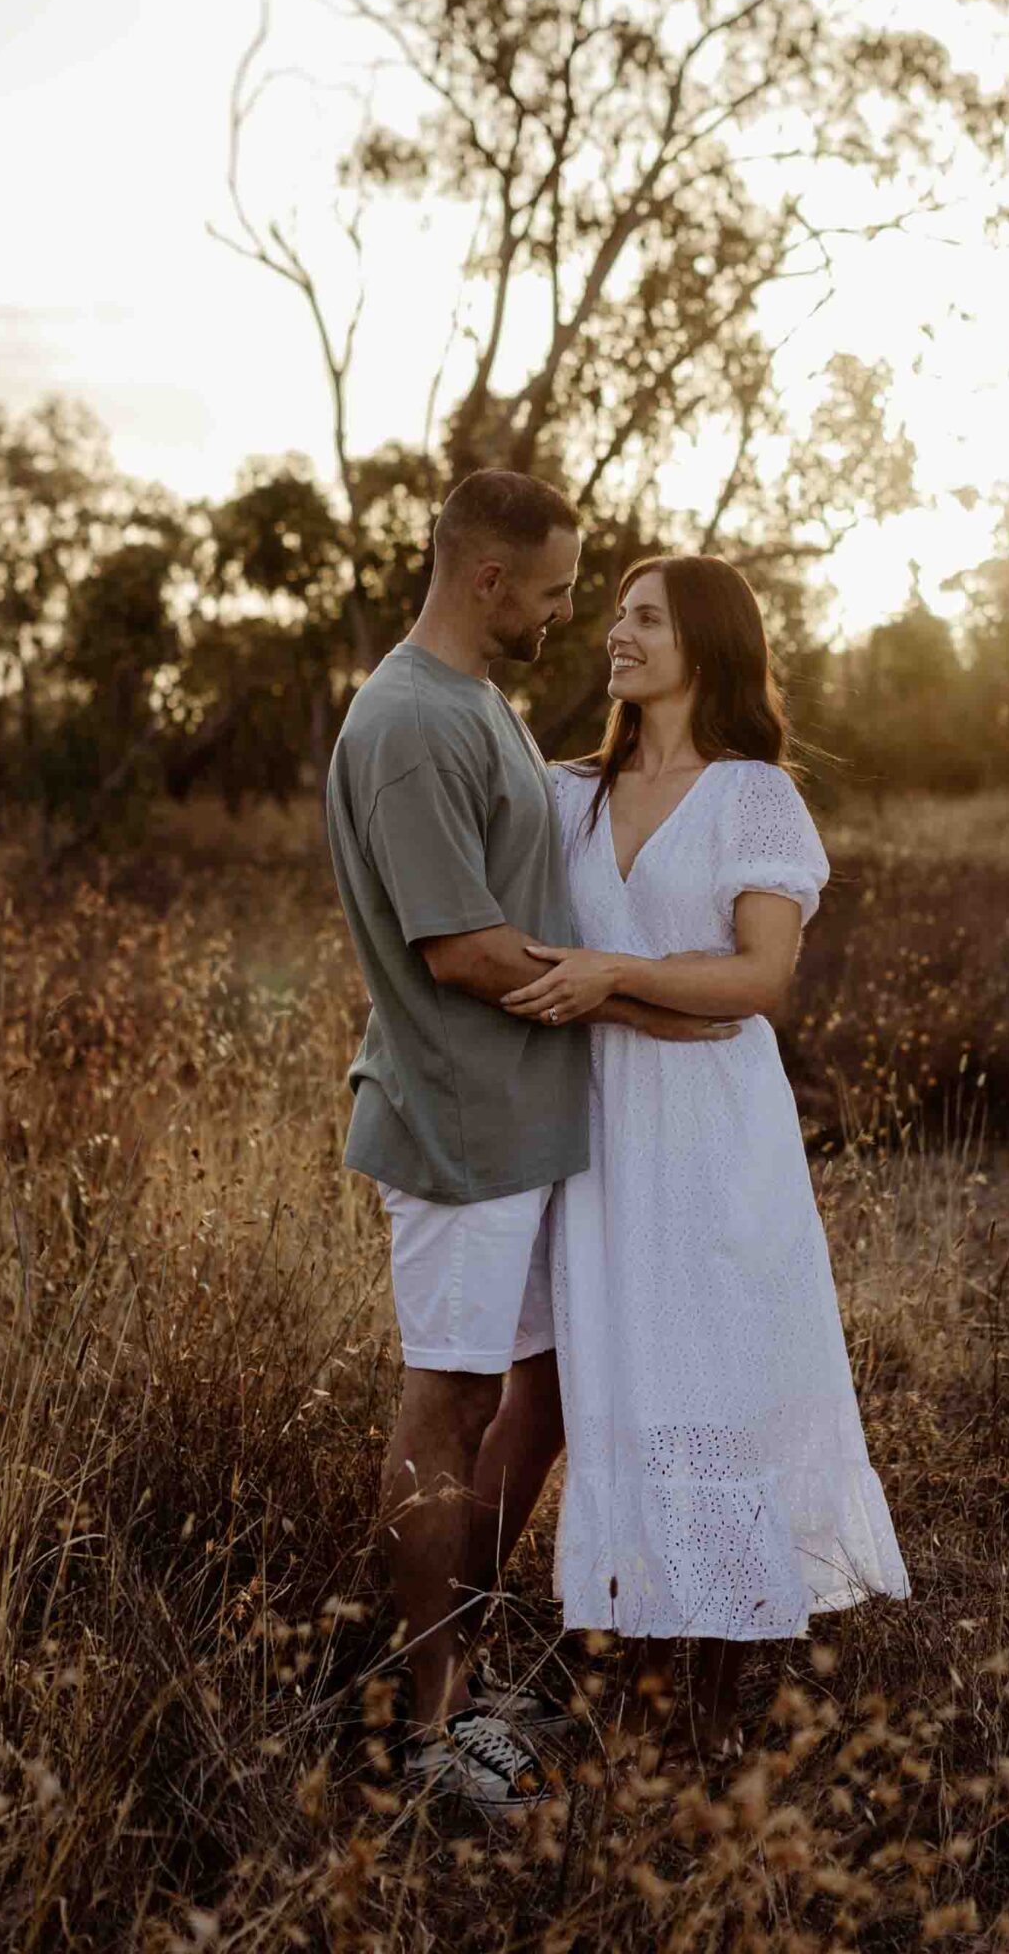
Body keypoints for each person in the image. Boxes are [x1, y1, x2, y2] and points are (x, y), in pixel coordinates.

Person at [324, 473, 738, 1812]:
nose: (571, 615)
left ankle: (464, 1666)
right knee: (445, 1408)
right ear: (490, 580)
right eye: (558, 590)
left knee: (542, 1397)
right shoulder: (403, 725)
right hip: (454, 1124)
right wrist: (639, 998)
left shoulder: (479, 707)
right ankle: (427, 1726)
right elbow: (461, 950)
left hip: (527, 1120)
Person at [501, 554, 909, 1755]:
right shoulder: (566, 790)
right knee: (615, 1383)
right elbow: (531, 950)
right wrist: (634, 1007)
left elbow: (758, 981)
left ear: (704, 645)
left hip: (714, 1132)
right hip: (596, 1126)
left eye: (642, 618)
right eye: (615, 615)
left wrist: (618, 978)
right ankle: (628, 1685)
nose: (613, 634)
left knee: (711, 1392)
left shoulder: (752, 797)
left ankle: (716, 1710)